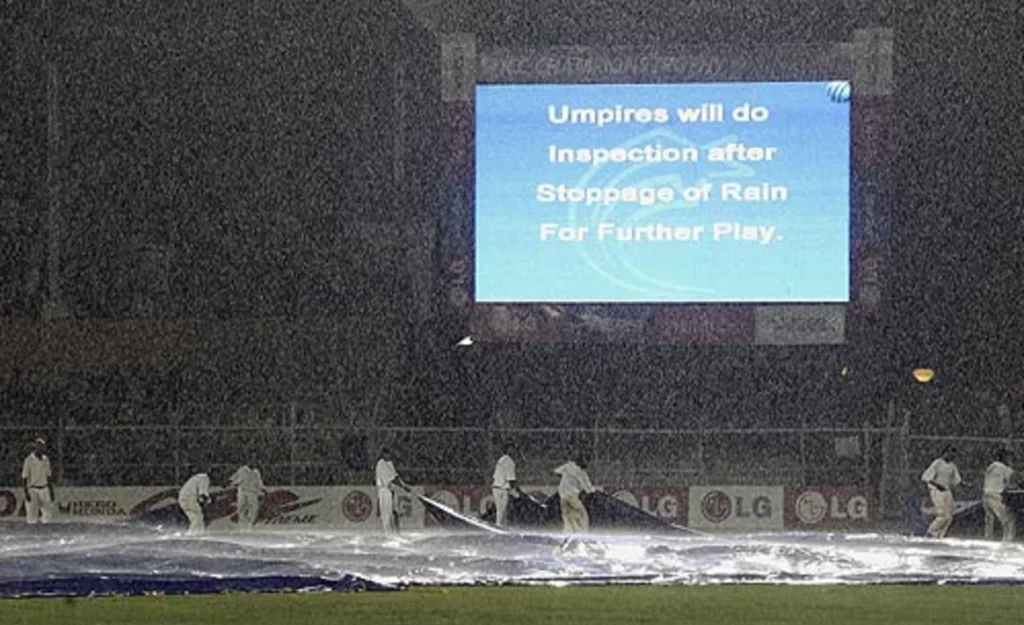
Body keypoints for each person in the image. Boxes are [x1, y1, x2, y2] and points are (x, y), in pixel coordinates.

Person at [921, 445, 962, 539]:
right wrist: (937, 485)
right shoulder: (937, 463)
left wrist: (964, 485)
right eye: (950, 454)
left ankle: (940, 535)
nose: (952, 456)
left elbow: (956, 480)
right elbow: (926, 477)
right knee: (942, 514)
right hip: (937, 491)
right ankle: (930, 532)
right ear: (945, 453)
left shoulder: (952, 466)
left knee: (949, 517)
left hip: (947, 491)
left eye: (953, 455)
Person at [554, 455, 596, 533]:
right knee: (582, 514)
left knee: (566, 513)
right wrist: (593, 491)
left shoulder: (569, 465)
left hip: (562, 494)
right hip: (572, 495)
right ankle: (582, 531)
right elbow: (588, 489)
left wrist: (565, 477)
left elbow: (556, 471)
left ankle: (568, 530)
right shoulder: (582, 474)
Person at [983, 450, 1017, 542]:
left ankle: (988, 539)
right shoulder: (1006, 469)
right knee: (1008, 519)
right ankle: (1007, 541)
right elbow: (1012, 483)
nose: (1011, 461)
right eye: (1010, 459)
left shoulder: (992, 465)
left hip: (986, 495)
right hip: (995, 495)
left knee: (989, 520)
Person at [22, 438, 54, 525]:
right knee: (32, 513)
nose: (40, 448)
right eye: (38, 446)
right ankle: (31, 532)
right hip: (33, 489)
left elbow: (49, 476)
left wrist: (51, 491)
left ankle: (45, 531)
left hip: (44, 488)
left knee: (47, 512)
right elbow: (25, 477)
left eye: (42, 446)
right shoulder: (29, 460)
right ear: (35, 447)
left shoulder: (46, 459)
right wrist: (26, 492)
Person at [375, 447, 407, 534]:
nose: (389, 455)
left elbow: (396, 476)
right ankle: (388, 532)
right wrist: (403, 487)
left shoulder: (390, 463)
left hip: (391, 490)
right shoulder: (381, 464)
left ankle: (397, 531)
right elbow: (392, 479)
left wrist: (403, 484)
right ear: (383, 454)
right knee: (386, 513)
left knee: (393, 511)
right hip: (384, 490)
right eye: (387, 454)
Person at [229, 462, 266, 530]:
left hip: (252, 492)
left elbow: (259, 482)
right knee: (241, 508)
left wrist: (263, 489)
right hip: (242, 492)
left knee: (254, 508)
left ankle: (251, 523)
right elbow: (234, 478)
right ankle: (242, 524)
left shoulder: (256, 472)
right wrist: (232, 482)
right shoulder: (242, 470)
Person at [491, 446, 519, 527]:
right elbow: (511, 478)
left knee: (499, 510)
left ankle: (499, 525)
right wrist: (513, 491)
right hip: (503, 488)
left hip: (495, 487)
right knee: (502, 510)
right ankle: (499, 526)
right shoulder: (510, 462)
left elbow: (495, 476)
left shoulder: (501, 459)